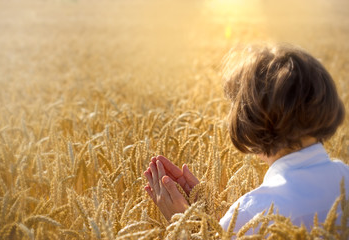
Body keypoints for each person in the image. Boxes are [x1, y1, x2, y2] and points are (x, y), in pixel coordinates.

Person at [143, 44, 349, 232]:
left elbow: (245, 230)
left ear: (248, 122)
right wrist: (204, 217)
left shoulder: (253, 212)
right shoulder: (345, 177)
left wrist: (183, 224)